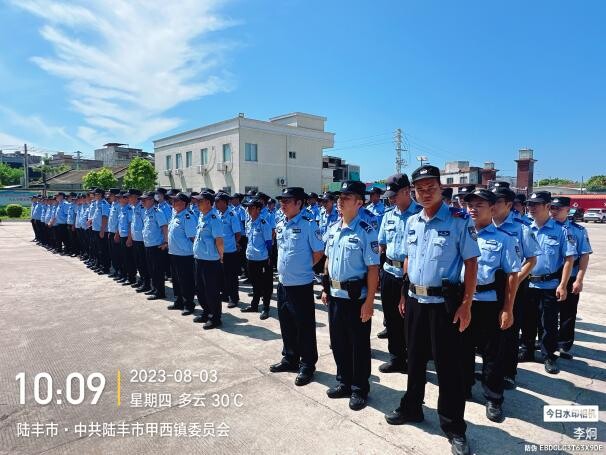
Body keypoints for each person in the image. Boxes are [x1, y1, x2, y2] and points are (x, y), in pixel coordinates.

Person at [384, 165, 480, 455]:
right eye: (420, 189)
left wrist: (466, 304)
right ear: (413, 192)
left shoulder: (458, 221)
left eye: (431, 187)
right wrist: (404, 293)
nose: (425, 193)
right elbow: (408, 259)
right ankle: (412, 407)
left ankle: (454, 426)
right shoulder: (412, 221)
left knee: (448, 368)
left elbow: (471, 263)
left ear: (440, 188)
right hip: (415, 301)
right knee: (414, 360)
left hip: (443, 306)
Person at [461, 189, 520, 423]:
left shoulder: (504, 238)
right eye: (470, 205)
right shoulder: (460, 233)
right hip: (462, 301)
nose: (473, 209)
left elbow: (512, 276)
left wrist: (508, 308)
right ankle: (464, 386)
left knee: (492, 354)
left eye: (479, 205)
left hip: (488, 302)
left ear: (492, 208)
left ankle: (493, 397)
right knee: (462, 349)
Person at [321, 180, 380, 411]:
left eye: (346, 198)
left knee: (358, 346)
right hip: (335, 296)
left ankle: (359, 388)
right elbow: (328, 260)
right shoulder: (334, 229)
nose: (340, 201)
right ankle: (344, 382)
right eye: (340, 197)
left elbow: (373, 269)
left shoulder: (366, 231)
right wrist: (325, 288)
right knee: (339, 343)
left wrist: (369, 302)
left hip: (356, 299)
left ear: (359, 203)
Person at [270, 187, 324, 387]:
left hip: (301, 284)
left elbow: (318, 252)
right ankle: (290, 358)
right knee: (286, 323)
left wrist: (302, 268)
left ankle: (307, 365)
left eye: (287, 201)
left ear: (299, 203)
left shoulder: (309, 224)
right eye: (281, 201)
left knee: (304, 327)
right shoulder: (281, 224)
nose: (282, 204)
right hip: (283, 283)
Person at [519, 191, 576, 375]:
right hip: (527, 283)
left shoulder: (561, 231)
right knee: (527, 320)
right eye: (530, 204)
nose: (531, 208)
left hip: (550, 285)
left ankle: (548, 355)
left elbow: (569, 259)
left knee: (548, 323)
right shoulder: (525, 228)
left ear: (547, 206)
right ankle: (527, 350)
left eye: (536, 204)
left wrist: (563, 285)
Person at [492, 184, 542, 389]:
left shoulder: (522, 227)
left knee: (510, 329)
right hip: (489, 285)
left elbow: (531, 259)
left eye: (497, 201)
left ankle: (508, 372)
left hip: (515, 283)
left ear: (509, 204)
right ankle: (491, 369)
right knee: (490, 328)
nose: (492, 205)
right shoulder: (483, 223)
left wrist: (517, 279)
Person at [377, 173, 421, 373]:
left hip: (411, 275)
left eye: (395, 195)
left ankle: (414, 360)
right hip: (389, 272)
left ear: (406, 191)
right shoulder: (388, 215)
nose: (391, 199)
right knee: (392, 319)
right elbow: (382, 245)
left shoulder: (420, 214)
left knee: (411, 322)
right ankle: (396, 358)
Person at [548, 196, 592, 359]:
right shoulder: (545, 227)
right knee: (547, 313)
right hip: (549, 277)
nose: (554, 211)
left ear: (568, 210)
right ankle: (547, 342)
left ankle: (564, 345)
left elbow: (584, 256)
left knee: (568, 313)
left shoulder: (578, 230)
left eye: (558, 208)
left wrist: (579, 280)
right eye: (552, 208)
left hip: (570, 276)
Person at [192, 191, 224, 329]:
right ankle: (206, 312)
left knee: (212, 290)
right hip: (199, 258)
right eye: (197, 201)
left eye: (200, 201)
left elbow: (219, 240)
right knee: (200, 289)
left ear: (208, 203)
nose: (197, 203)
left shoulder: (214, 218)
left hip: (210, 260)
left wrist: (221, 256)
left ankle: (215, 317)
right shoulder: (202, 216)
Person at [241, 197, 273, 319]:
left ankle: (265, 308)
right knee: (255, 283)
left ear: (258, 209)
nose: (249, 210)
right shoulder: (249, 223)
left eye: (252, 207)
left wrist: (269, 257)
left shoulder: (264, 224)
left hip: (262, 259)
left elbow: (269, 243)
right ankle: (254, 305)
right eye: (248, 208)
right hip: (251, 257)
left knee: (265, 285)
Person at [167, 192, 198, 315]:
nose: (173, 202)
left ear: (184, 203)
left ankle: (188, 304)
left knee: (186, 281)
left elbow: (193, 238)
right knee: (176, 280)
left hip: (185, 255)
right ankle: (179, 301)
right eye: (173, 200)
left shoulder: (187, 217)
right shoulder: (175, 215)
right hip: (174, 253)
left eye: (176, 201)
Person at [140, 191, 169, 300]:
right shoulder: (147, 212)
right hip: (148, 244)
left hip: (157, 246)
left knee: (157, 270)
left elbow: (164, 227)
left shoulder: (158, 212)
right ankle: (155, 288)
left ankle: (160, 292)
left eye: (144, 200)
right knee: (151, 269)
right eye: (142, 200)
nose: (142, 202)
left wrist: (165, 242)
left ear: (152, 200)